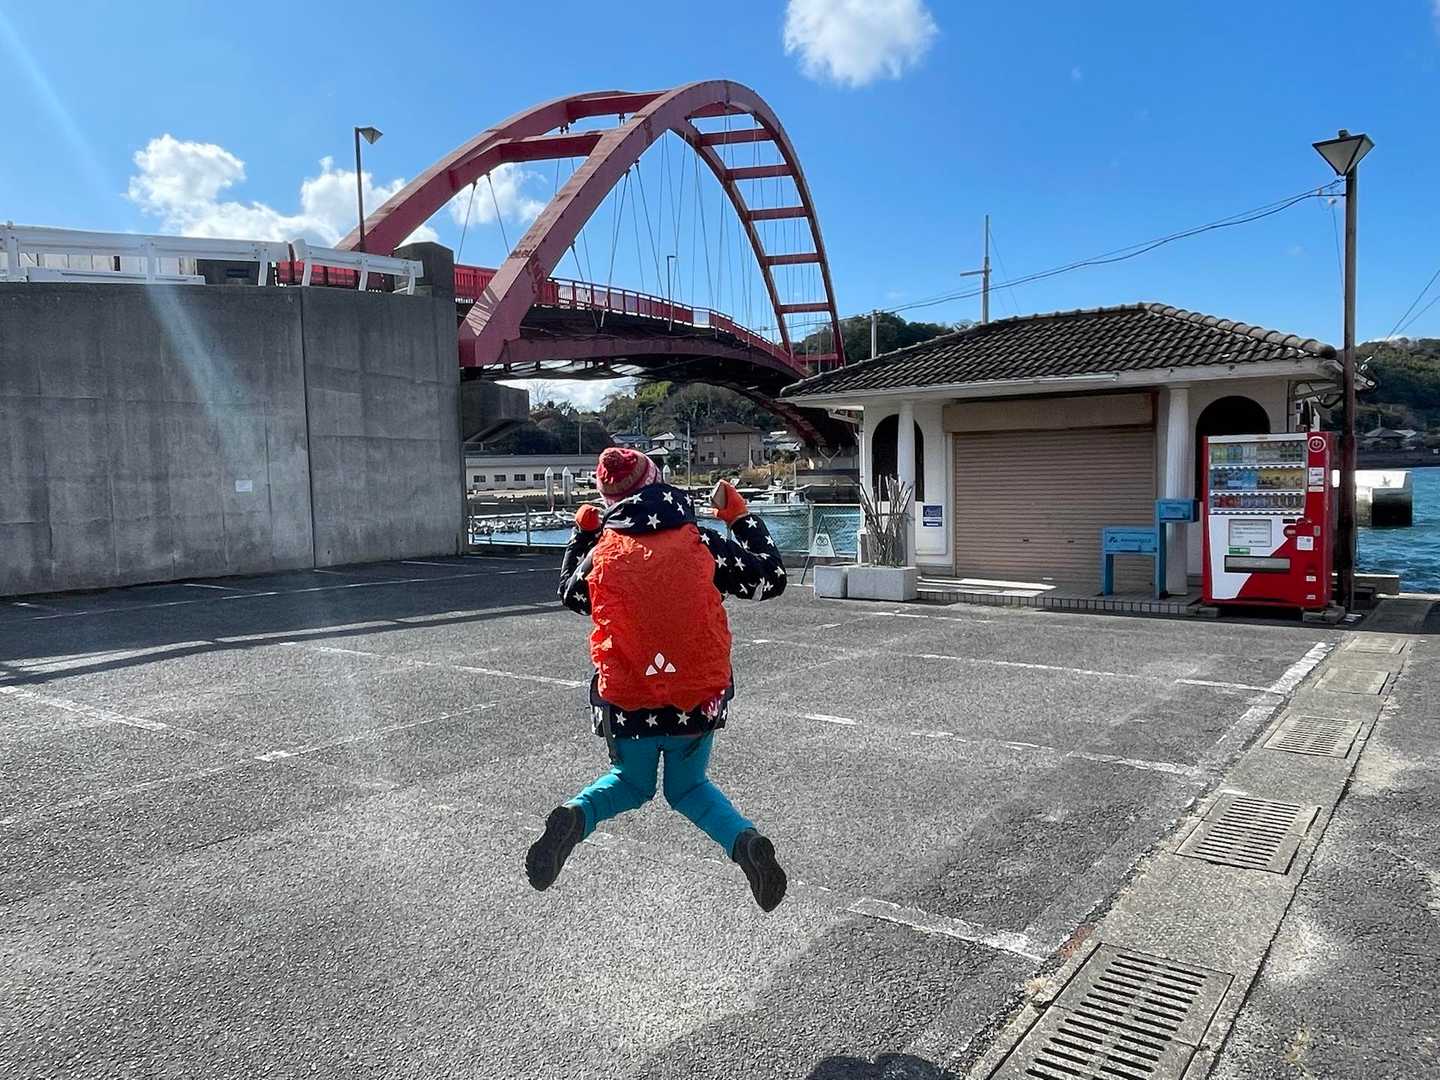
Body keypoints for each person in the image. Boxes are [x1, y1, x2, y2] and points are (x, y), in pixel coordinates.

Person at [526, 447, 789, 911]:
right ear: (660, 483)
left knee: (631, 782)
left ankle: (576, 815)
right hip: (696, 698)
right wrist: (740, 518)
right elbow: (771, 577)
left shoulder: (604, 552)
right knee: (688, 788)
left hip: (629, 701)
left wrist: (582, 536)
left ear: (609, 500)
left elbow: (570, 594)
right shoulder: (701, 543)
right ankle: (745, 843)